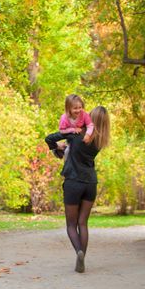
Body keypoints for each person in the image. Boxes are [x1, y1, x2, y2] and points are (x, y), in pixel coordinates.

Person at [57, 106, 110, 273]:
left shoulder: (77, 134)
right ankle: (82, 259)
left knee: (71, 224)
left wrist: (57, 148)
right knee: (83, 223)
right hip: (90, 183)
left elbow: (66, 150)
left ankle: (79, 251)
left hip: (73, 182)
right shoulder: (100, 141)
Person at [45, 94, 94, 159]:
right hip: (69, 135)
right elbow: (62, 130)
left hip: (80, 136)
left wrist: (88, 134)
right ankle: (59, 150)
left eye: (80, 107)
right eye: (75, 108)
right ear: (68, 109)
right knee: (68, 152)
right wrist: (73, 129)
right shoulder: (64, 118)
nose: (78, 110)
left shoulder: (84, 114)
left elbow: (90, 125)